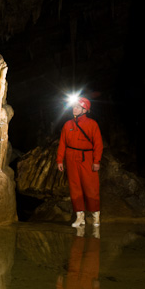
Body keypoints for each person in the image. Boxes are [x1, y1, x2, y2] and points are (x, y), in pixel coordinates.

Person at [56, 96, 103, 227]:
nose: (74, 109)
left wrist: (96, 161)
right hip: (71, 157)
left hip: (87, 157)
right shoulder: (68, 124)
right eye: (74, 106)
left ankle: (95, 216)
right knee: (75, 187)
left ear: (85, 109)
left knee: (91, 186)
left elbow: (98, 144)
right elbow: (62, 144)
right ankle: (79, 217)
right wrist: (59, 160)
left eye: (77, 107)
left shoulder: (92, 124)